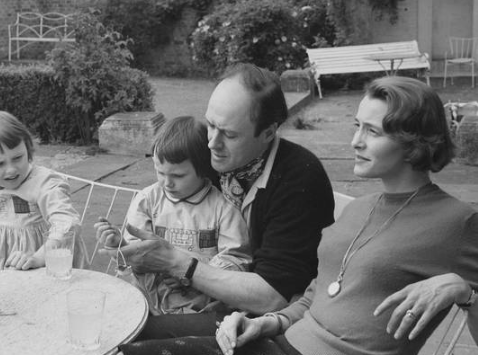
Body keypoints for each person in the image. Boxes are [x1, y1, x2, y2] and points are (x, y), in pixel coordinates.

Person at [98, 76, 478, 355]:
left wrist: (466, 294)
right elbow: (316, 296)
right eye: (356, 125)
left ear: (414, 144)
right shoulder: (360, 209)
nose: (355, 141)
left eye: (372, 132)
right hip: (282, 351)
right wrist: (267, 323)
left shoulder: (456, 221)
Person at [97, 63, 335, 338]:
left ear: (268, 133)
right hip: (189, 299)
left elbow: (271, 296)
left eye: (229, 134)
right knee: (106, 323)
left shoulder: (299, 179)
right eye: (211, 125)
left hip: (257, 324)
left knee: (125, 337)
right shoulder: (209, 156)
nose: (211, 143)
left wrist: (178, 265)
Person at [97, 116, 251, 315]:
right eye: (160, 172)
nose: (166, 183)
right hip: (149, 303)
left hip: (202, 306)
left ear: (203, 169)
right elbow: (137, 255)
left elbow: (236, 262)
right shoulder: (147, 200)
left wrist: (190, 271)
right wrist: (121, 246)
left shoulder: (222, 208)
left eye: (177, 176)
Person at [0, 110, 86, 271]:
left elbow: (67, 224)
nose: (11, 170)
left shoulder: (44, 183)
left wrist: (38, 258)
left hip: (51, 262)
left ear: (27, 149)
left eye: (17, 158)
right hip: (13, 263)